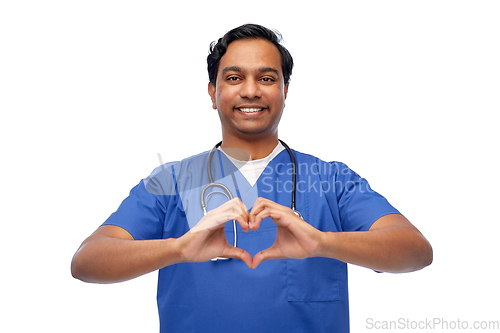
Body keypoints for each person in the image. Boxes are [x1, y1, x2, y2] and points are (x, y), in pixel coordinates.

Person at [71, 23, 433, 333]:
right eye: (233, 77)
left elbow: (415, 251)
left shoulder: (330, 179)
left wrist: (323, 243)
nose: (250, 90)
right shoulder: (173, 181)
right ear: (213, 93)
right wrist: (177, 248)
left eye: (266, 77)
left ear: (285, 91)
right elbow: (87, 261)